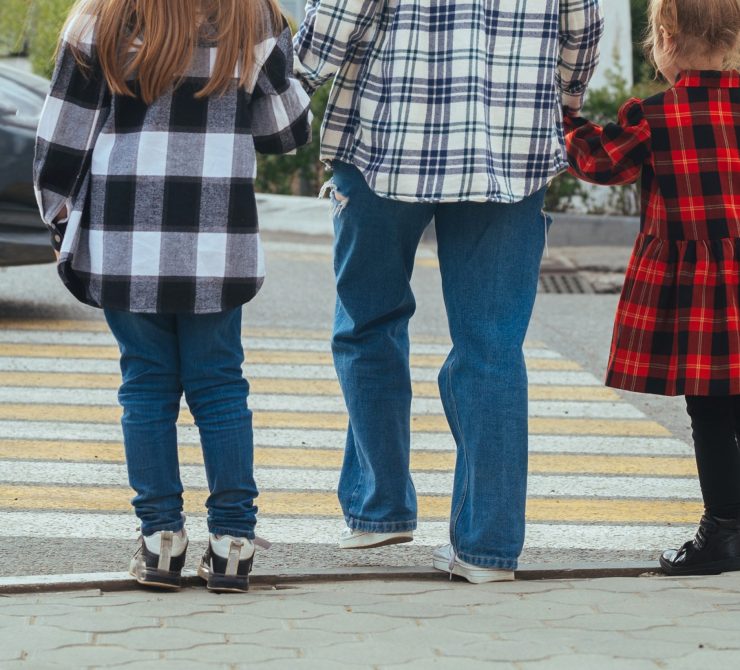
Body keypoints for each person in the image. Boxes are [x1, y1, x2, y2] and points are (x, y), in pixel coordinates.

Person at [294, 1, 604, 582]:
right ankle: (487, 549)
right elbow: (581, 28)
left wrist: (290, 80)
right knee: (492, 348)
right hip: (511, 146)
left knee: (367, 323)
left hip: (387, 140)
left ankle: (378, 508)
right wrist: (562, 93)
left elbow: (338, 17)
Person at [33, 0, 311, 592]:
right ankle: (233, 544)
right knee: (219, 384)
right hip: (218, 238)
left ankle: (161, 543)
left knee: (145, 383)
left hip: (124, 239)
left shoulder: (99, 18)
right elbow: (286, 133)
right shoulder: (253, 18)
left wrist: (61, 222)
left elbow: (60, 140)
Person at [565, 0, 740, 575]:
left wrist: (563, 115)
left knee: (711, 412)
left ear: (665, 36)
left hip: (704, 294)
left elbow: (598, 161)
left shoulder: (656, 116)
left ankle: (724, 534)